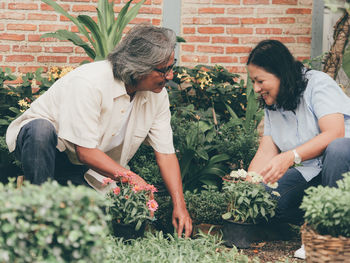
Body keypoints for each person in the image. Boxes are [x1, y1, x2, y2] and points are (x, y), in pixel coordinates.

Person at [6, 24, 192, 237]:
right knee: (40, 130)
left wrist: (180, 206)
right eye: (163, 70)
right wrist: (131, 178)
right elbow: (84, 150)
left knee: (103, 224)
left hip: (86, 167)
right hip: (49, 150)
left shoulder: (157, 95)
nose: (170, 76)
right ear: (139, 67)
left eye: (172, 66)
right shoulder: (89, 82)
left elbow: (166, 154)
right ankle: (37, 220)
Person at [246, 39, 350, 248]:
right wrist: (247, 187)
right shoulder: (274, 102)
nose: (256, 88)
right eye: (253, 82)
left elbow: (335, 133)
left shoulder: (317, 84)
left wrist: (290, 156)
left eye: (260, 81)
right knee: (267, 199)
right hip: (314, 172)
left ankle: (331, 237)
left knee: (337, 149)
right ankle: (312, 224)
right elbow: (267, 149)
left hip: (344, 168)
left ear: (280, 74)